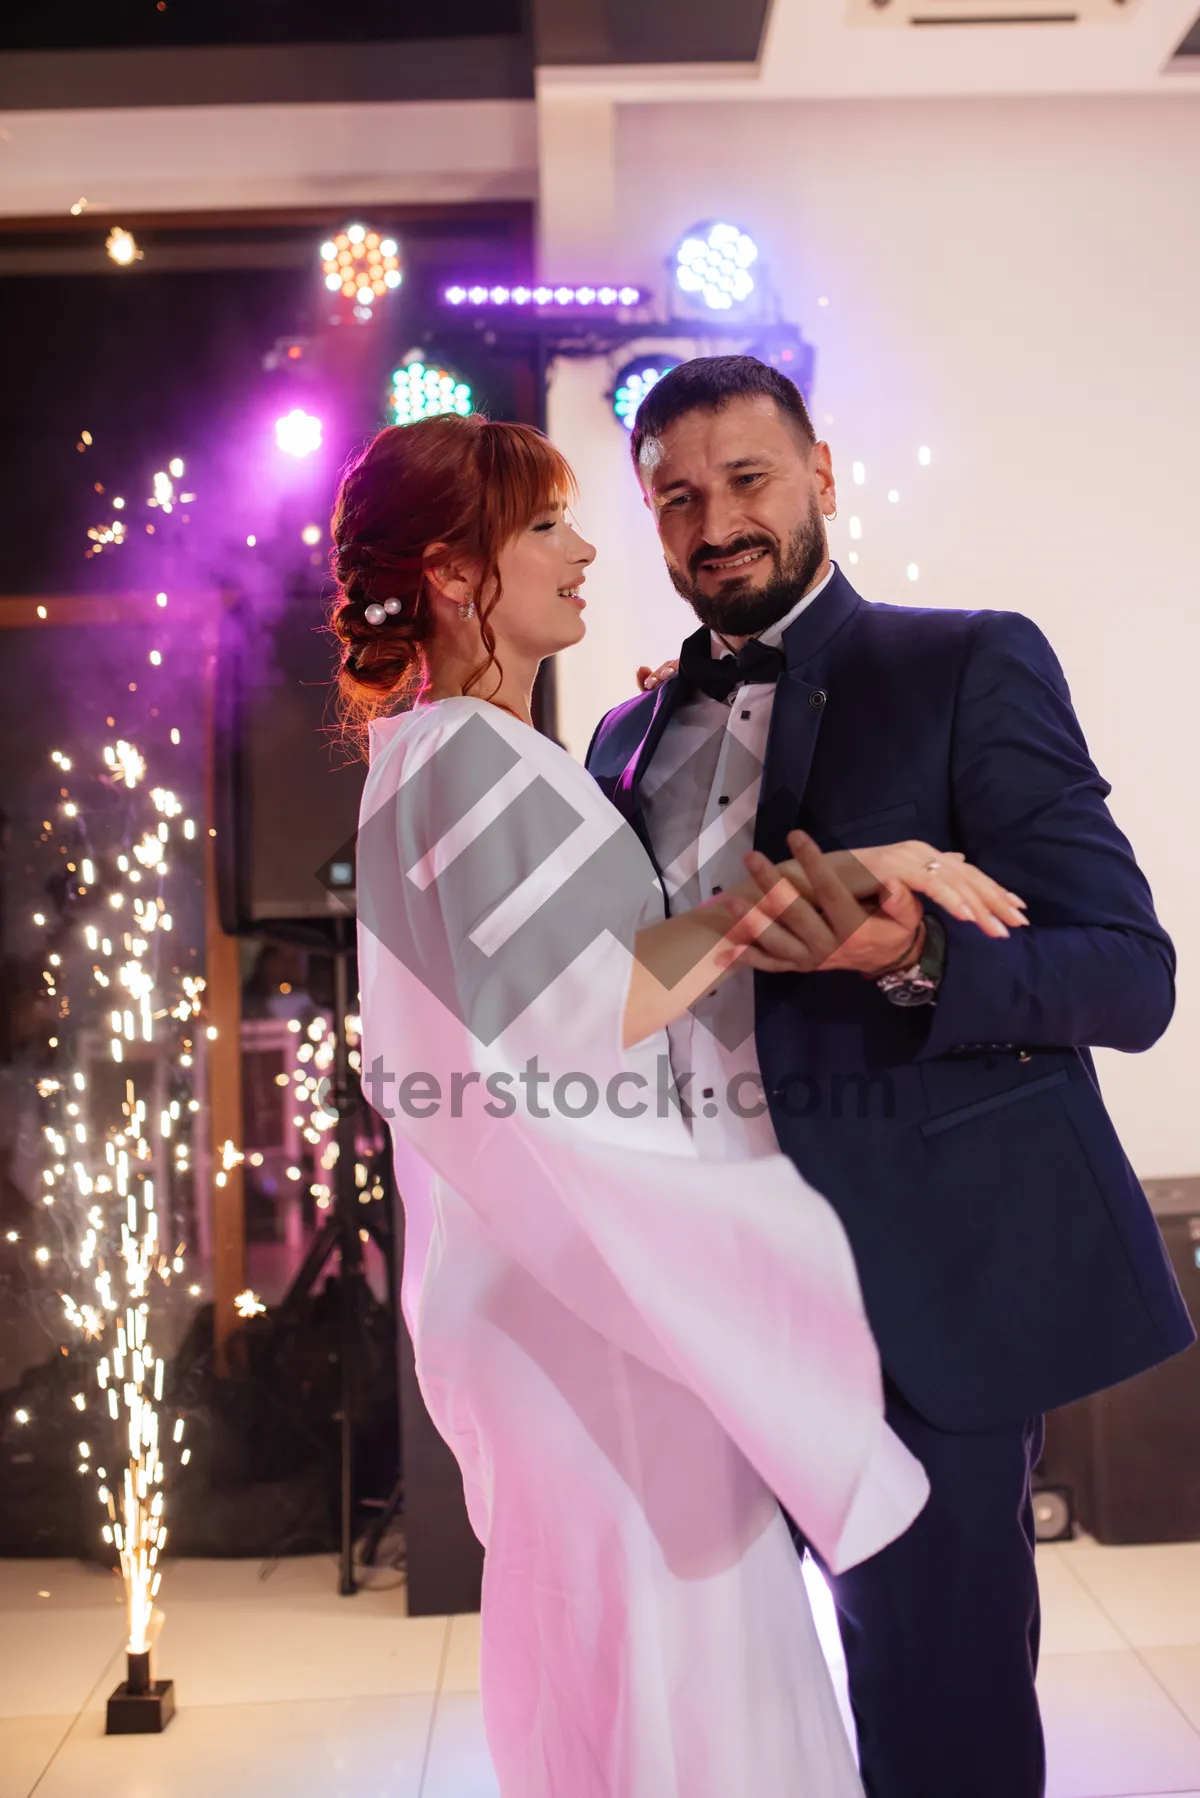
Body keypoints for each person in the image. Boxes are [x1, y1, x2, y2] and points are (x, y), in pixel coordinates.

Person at [329, 413, 1019, 1798]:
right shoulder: (467, 755)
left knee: (629, 1689)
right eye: (545, 528)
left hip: (554, 1295)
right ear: (460, 577)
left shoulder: (443, 756)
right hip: (587, 1319)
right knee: (676, 1695)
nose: (584, 552)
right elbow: (594, 1003)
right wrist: (863, 864)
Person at [586, 354, 1195, 1798]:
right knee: (726, 1713)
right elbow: (617, 994)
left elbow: (1131, 971)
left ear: (823, 479)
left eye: (746, 481)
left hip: (912, 1305)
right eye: (675, 497)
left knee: (939, 1716)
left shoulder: (967, 660)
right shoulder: (621, 737)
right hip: (691, 1303)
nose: (713, 522)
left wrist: (916, 952)